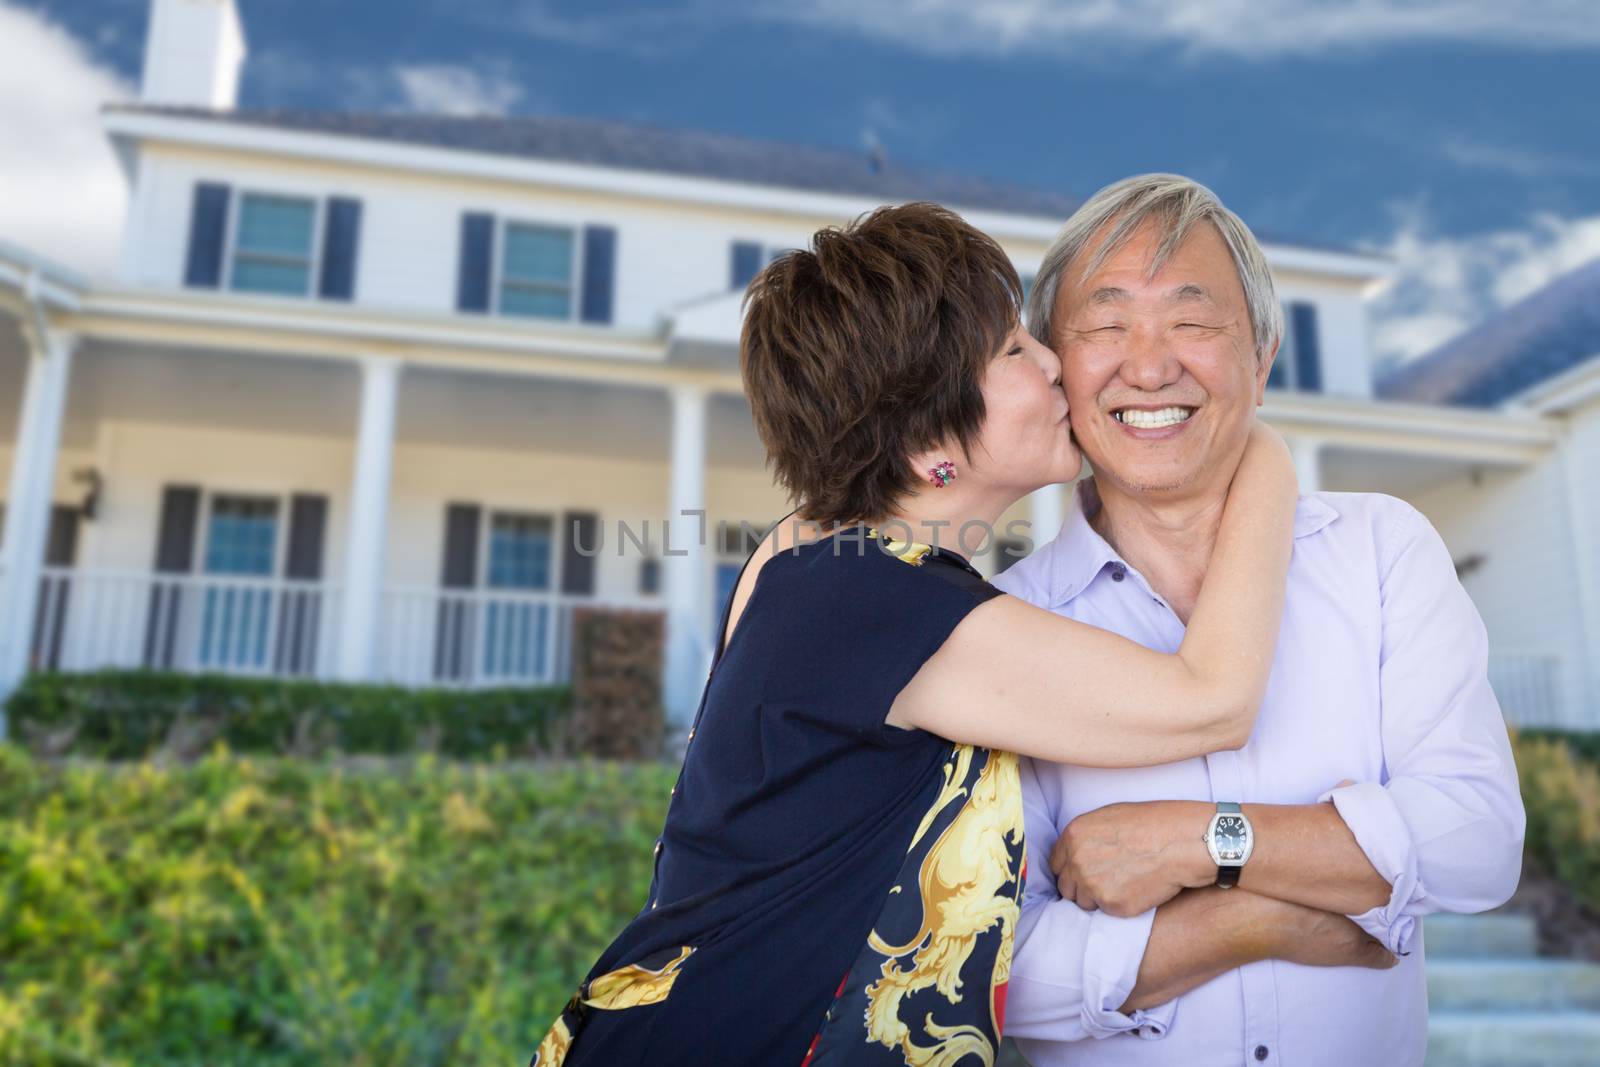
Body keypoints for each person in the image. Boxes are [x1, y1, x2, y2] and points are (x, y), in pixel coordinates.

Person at [529, 201, 1305, 1067]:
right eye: (1014, 349)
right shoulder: (873, 600)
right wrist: (1260, 449)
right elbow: (1212, 700)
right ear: (930, 432)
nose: (1055, 363)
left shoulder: (810, 557)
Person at [993, 174, 1525, 1067]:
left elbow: (1475, 839)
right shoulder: (1006, 625)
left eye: (1192, 322)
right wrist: (1250, 918)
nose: (1151, 364)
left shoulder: (1381, 551)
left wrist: (1201, 841)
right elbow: (996, 971)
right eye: (1104, 324)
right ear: (1054, 368)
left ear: (1263, 356)